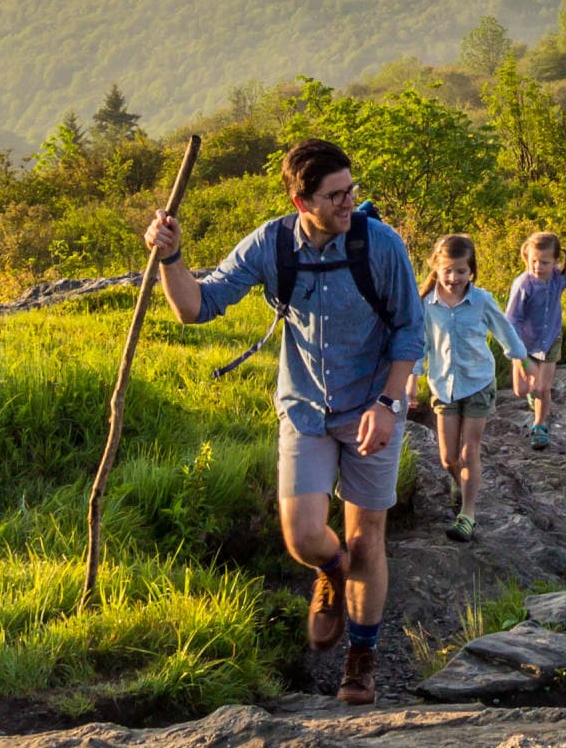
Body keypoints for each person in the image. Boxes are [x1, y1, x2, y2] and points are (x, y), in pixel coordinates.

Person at [144, 137, 421, 705]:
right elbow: (196, 307)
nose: (350, 204)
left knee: (368, 539)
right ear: (301, 202)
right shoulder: (271, 245)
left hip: (371, 406)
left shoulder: (382, 246)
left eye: (352, 190)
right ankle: (331, 569)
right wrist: (171, 257)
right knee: (302, 539)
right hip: (304, 410)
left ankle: (361, 658)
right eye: (336, 196)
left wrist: (389, 405)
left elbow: (409, 332)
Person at [413, 232, 530, 542]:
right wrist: (412, 378)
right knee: (448, 458)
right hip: (443, 387)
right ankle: (459, 482)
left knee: (469, 452)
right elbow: (420, 344)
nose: (454, 278)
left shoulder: (481, 300)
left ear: (472, 271)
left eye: (461, 271)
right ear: (436, 268)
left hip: (478, 382)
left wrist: (522, 362)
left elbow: (505, 331)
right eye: (448, 270)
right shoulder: (427, 303)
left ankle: (468, 514)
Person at [503, 229, 566, 448]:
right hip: (524, 344)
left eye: (544, 262)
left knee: (544, 388)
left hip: (551, 339)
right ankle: (532, 395)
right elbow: (512, 320)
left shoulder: (559, 277)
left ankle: (540, 425)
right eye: (534, 261)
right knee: (522, 390)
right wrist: (518, 354)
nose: (538, 267)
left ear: (556, 261)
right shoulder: (523, 285)